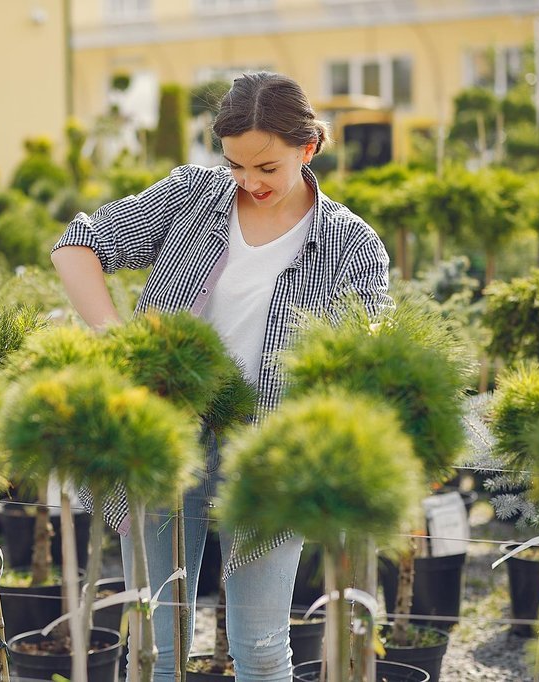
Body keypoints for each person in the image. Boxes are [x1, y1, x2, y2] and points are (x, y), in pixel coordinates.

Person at [50, 72, 391, 682]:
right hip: (166, 434)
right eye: (236, 165)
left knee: (260, 645)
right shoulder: (192, 196)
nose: (249, 183)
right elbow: (75, 245)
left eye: (268, 167)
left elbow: (368, 361)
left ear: (307, 148)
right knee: (158, 640)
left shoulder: (349, 244)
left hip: (270, 451)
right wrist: (117, 338)